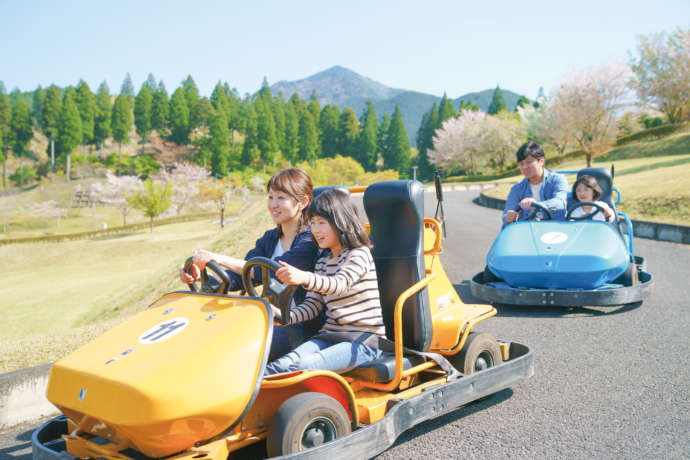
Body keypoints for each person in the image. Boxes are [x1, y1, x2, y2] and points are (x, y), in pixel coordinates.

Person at [180, 168, 323, 360]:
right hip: (269, 320)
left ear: (302, 202)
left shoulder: (310, 240)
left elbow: (272, 273)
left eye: (281, 198)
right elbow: (241, 275)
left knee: (234, 345)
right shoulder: (270, 239)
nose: (273, 204)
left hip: (303, 328)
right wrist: (203, 276)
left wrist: (219, 258)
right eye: (270, 197)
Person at [264, 188, 385, 376]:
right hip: (330, 336)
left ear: (341, 223)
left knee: (301, 367)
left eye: (322, 223)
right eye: (312, 223)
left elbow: (339, 285)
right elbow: (312, 306)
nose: (316, 230)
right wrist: (281, 315)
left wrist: (304, 277)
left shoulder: (358, 254)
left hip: (363, 341)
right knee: (276, 367)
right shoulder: (323, 261)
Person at [503, 141, 568, 227]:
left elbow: (560, 203)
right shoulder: (516, 189)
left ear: (541, 161)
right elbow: (506, 215)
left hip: (555, 230)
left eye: (529, 162)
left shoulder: (557, 179)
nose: (524, 167)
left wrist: (537, 205)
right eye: (521, 164)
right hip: (528, 232)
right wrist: (509, 217)